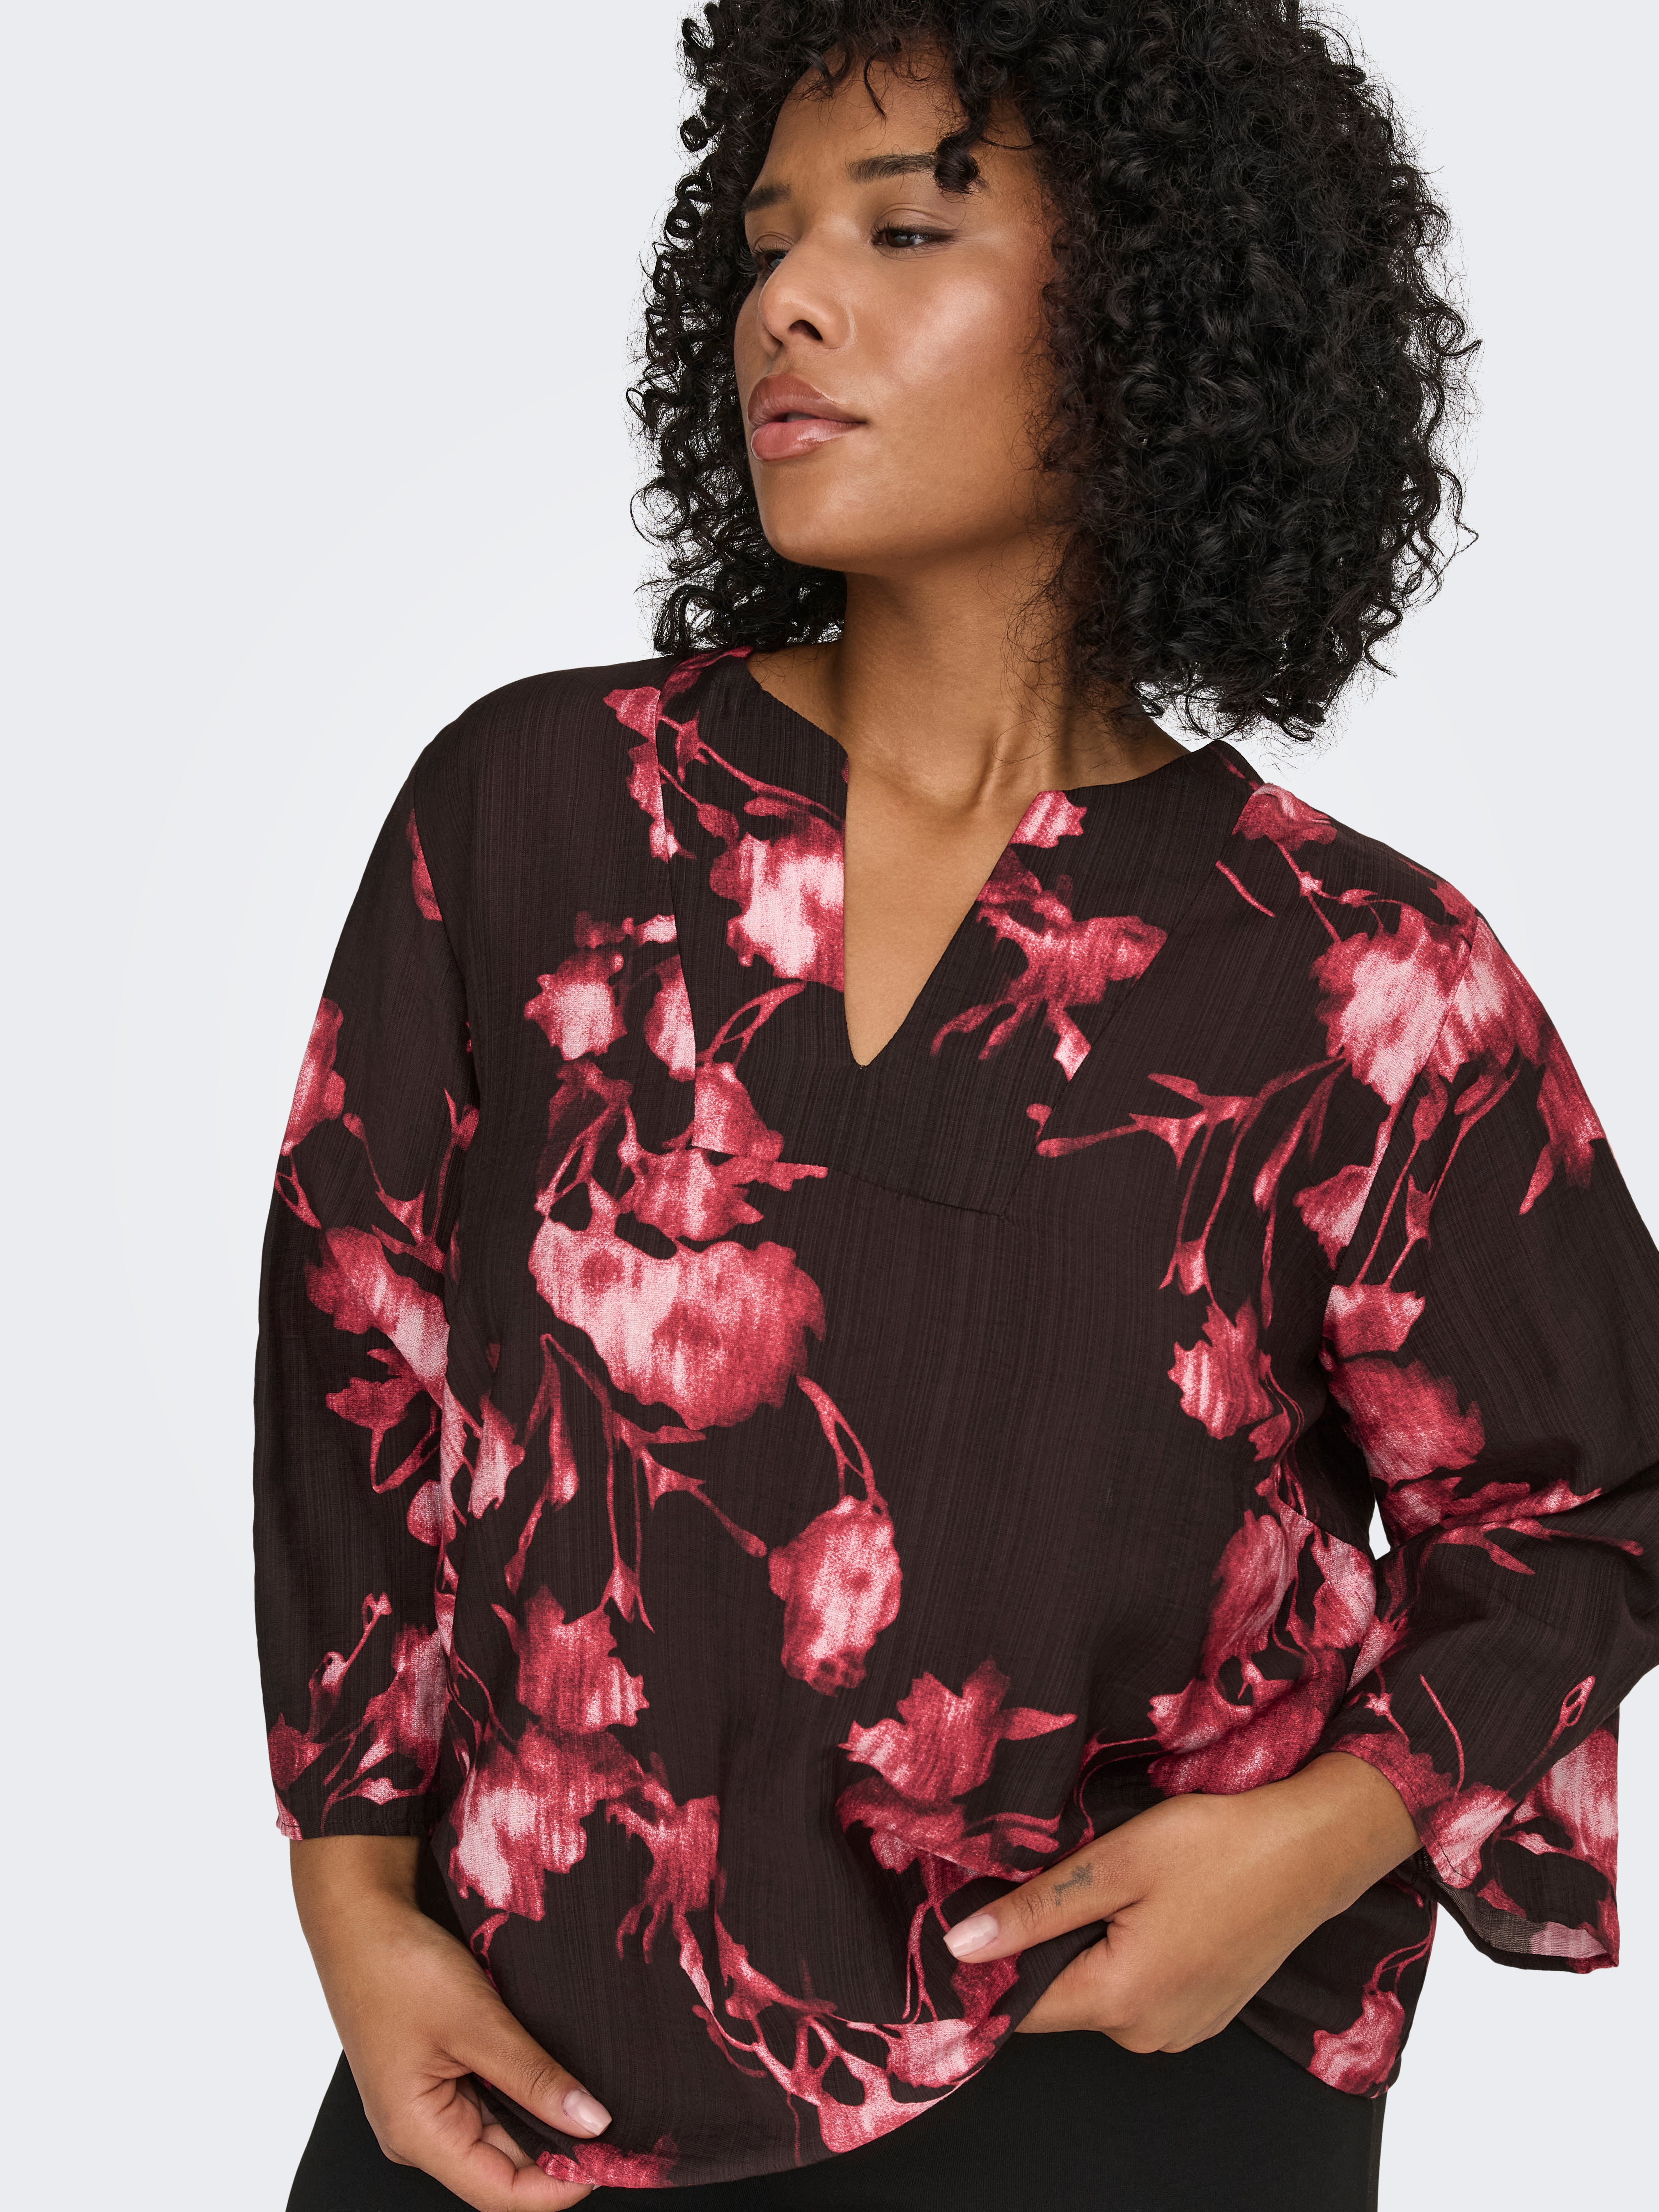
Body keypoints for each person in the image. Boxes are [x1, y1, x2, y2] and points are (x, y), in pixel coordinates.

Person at [257, 6, 1659, 2208]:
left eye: (905, 231)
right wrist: (352, 1905)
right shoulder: (532, 812)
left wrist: (1321, 1840)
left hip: (1115, 2091)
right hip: (519, 2089)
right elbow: (359, 1359)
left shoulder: (1363, 981)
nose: (788, 303)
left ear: (1159, 312)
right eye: (768, 241)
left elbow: (1597, 1498)